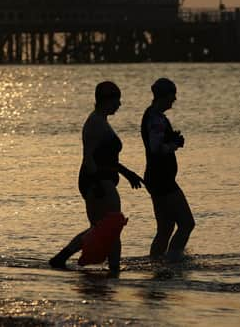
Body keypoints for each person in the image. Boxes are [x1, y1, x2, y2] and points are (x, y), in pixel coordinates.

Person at [49, 81, 143, 274]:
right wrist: (98, 184)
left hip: (101, 180)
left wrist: (127, 174)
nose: (119, 105)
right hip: (97, 181)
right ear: (106, 100)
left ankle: (61, 258)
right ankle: (114, 271)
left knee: (99, 227)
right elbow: (89, 157)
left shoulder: (102, 121)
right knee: (113, 225)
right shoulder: (95, 124)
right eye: (117, 100)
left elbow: (108, 159)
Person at [141, 78, 195, 262]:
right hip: (162, 180)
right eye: (173, 95)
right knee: (187, 223)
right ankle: (173, 261)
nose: (175, 100)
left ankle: (157, 262)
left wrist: (171, 138)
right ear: (164, 96)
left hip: (157, 178)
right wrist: (174, 144)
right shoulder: (155, 118)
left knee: (165, 228)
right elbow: (156, 148)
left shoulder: (156, 116)